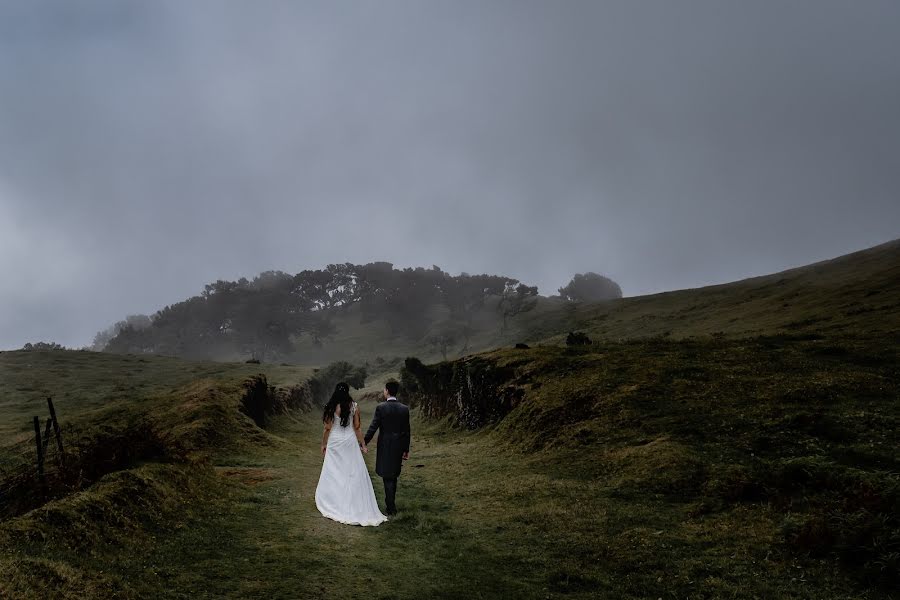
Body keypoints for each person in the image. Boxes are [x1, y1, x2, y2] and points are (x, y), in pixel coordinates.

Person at [314, 382, 387, 526]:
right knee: (351, 471)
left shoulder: (330, 406)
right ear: (347, 392)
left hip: (335, 442)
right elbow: (357, 428)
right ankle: (353, 501)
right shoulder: (354, 406)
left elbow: (327, 428)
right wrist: (363, 444)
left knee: (334, 471)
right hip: (349, 442)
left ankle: (334, 500)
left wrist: (323, 444)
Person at [364, 380, 411, 515]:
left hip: (385, 446)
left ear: (387, 391)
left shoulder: (381, 408)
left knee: (387, 476)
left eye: (384, 390)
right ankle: (391, 505)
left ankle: (390, 507)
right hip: (398, 446)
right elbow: (407, 431)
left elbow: (373, 427)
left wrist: (364, 442)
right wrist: (406, 449)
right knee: (393, 476)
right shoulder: (404, 409)